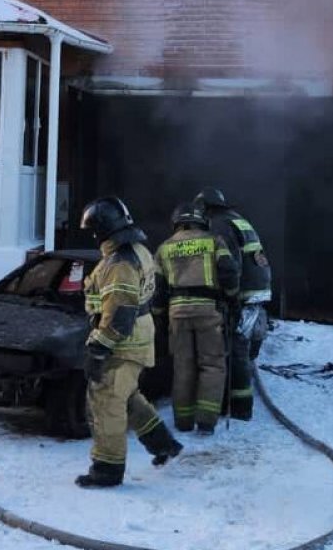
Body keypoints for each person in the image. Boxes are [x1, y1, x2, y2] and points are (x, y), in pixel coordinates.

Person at [76, 196, 184, 488]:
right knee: (127, 395)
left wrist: (99, 349)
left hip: (123, 342)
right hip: (138, 336)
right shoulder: (137, 250)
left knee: (106, 400)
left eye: (93, 230)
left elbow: (120, 314)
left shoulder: (119, 263)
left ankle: (107, 468)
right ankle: (163, 444)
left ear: (102, 229)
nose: (93, 236)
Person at [153, 202, 240, 434]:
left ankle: (183, 421)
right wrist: (233, 300)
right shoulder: (214, 241)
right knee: (211, 365)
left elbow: (157, 288)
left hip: (177, 313)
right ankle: (206, 422)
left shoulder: (164, 248)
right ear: (202, 220)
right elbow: (229, 272)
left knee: (183, 366)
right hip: (208, 311)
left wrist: (159, 317)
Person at [194, 186, 272, 420]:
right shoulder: (236, 219)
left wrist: (229, 296)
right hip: (258, 289)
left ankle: (239, 407)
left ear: (205, 208)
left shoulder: (219, 225)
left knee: (236, 347)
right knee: (241, 346)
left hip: (244, 292)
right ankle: (239, 404)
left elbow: (230, 264)